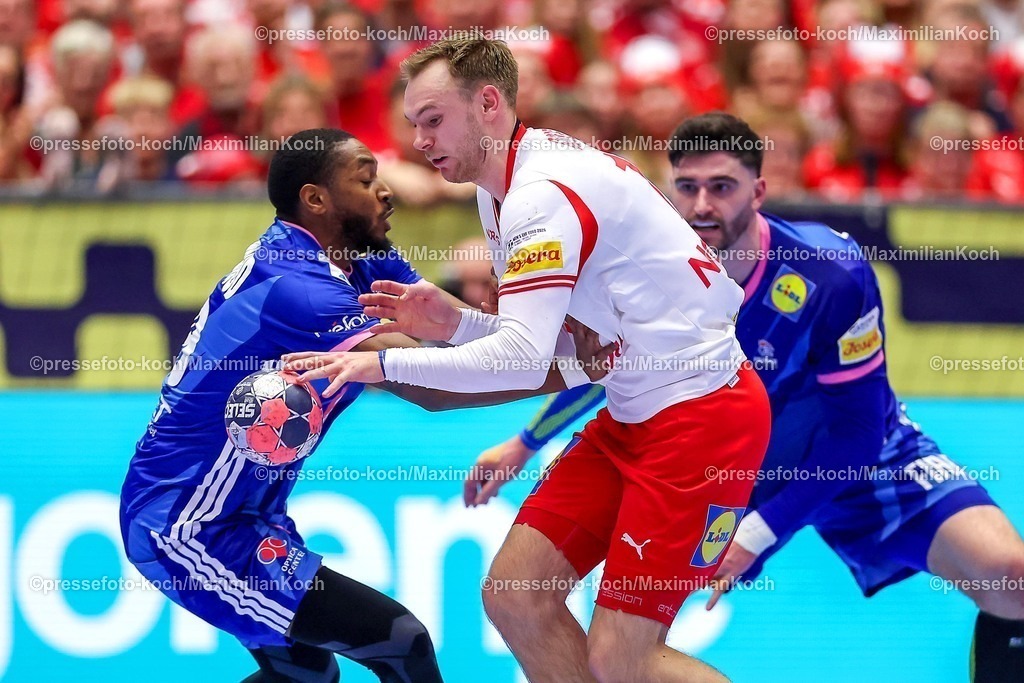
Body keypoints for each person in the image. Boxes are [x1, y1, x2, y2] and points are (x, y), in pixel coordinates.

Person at [471, 112, 1024, 683]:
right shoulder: (649, 270)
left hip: (860, 463)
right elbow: (613, 366)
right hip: (727, 460)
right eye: (687, 187)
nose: (703, 205)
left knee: (1011, 575)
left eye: (722, 187)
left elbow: (858, 433)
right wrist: (525, 440)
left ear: (758, 191)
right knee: (621, 652)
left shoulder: (830, 273)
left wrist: (759, 534)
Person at [284, 38, 772, 683]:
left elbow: (520, 360)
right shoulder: (504, 184)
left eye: (434, 119)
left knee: (622, 660)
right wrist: (453, 322)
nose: (421, 141)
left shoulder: (537, 194)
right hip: (634, 410)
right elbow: (573, 347)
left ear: (488, 103)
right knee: (517, 594)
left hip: (701, 421)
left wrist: (381, 366)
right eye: (413, 125)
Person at [120, 127, 576, 683]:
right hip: (188, 524)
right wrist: (572, 368)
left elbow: (441, 330)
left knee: (306, 677)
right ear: (316, 199)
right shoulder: (300, 288)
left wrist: (533, 337)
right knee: (398, 641)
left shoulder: (356, 258)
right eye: (365, 179)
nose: (385, 191)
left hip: (247, 513)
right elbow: (431, 386)